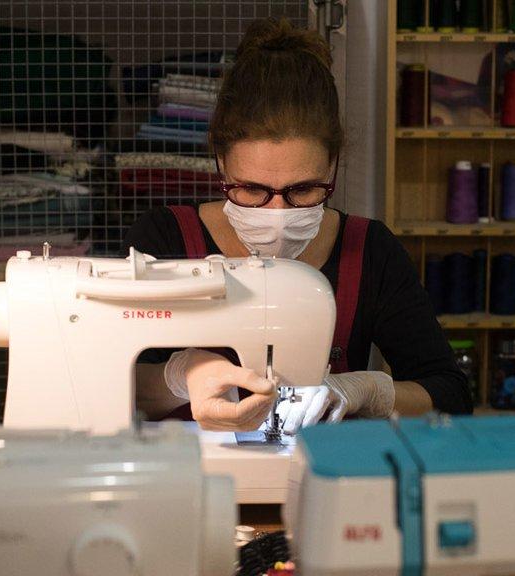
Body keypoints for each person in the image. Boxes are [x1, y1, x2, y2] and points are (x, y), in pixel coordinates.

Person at [125, 18, 472, 433]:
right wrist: (179, 377)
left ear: (334, 163)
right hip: (185, 482)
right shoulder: (163, 239)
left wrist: (369, 392)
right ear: (220, 161)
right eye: (252, 189)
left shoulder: (369, 250)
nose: (276, 213)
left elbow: (451, 395)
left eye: (304, 190)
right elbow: (109, 386)